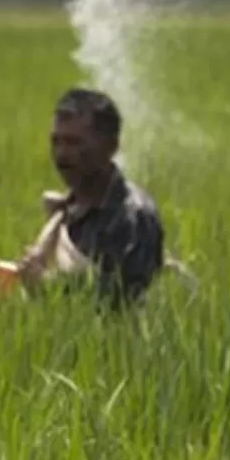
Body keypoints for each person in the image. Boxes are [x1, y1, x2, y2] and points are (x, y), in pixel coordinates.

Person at [16, 88, 166, 307]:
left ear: (111, 147)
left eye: (74, 143)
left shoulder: (133, 216)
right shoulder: (65, 211)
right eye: (56, 142)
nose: (61, 155)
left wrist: (48, 286)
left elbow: (125, 301)